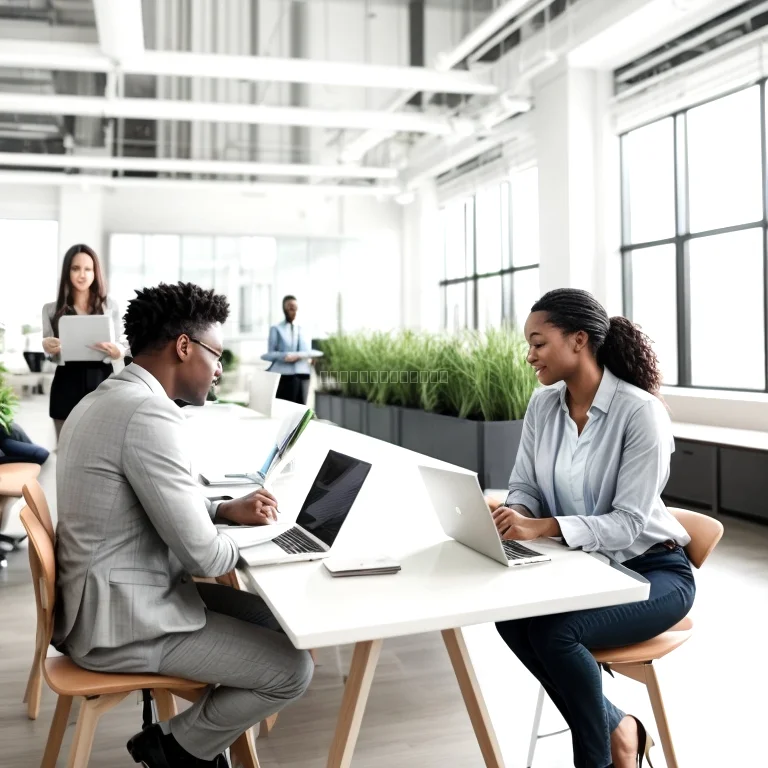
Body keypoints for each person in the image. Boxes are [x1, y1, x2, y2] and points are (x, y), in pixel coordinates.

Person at [54, 282, 313, 768]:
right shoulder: (147, 413)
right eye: (217, 354)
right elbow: (205, 558)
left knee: (275, 621)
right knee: (293, 669)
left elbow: (142, 502)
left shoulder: (110, 396)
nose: (220, 369)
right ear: (183, 347)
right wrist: (275, 537)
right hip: (121, 623)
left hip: (110, 595)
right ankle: (176, 747)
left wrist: (222, 511)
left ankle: (190, 742)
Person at [491, 288, 695, 768]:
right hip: (585, 568)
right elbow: (524, 485)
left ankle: (600, 757)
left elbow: (627, 525)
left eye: (539, 343)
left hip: (654, 572)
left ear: (579, 340)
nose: (529, 356)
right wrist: (513, 516)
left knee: (557, 636)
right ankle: (620, 729)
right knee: (511, 619)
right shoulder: (543, 406)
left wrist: (541, 527)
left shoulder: (639, 412)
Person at [42, 244, 127, 441]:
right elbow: (51, 357)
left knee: (102, 445)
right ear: (67, 271)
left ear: (95, 273)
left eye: (88, 269)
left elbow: (122, 344)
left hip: (102, 382)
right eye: (76, 268)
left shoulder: (110, 306)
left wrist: (118, 352)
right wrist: (48, 348)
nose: (82, 275)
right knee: (65, 446)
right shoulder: (50, 310)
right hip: (66, 383)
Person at [262, 294, 321, 405]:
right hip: (283, 375)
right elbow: (270, 354)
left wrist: (309, 358)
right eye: (290, 307)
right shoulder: (276, 329)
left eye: (295, 307)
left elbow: (307, 351)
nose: (293, 310)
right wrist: (284, 356)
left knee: (301, 407)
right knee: (284, 406)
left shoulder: (305, 329)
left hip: (303, 374)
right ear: (284, 309)